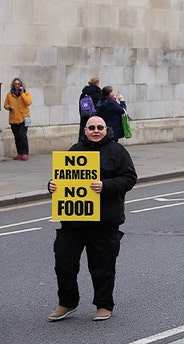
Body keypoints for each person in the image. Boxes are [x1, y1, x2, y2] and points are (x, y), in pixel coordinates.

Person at [46, 116, 137, 322]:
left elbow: (129, 178)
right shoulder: (75, 150)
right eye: (92, 128)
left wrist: (106, 186)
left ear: (106, 129)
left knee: (102, 266)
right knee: (64, 264)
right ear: (85, 130)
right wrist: (51, 185)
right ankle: (67, 303)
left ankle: (104, 305)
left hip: (104, 221)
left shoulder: (117, 151)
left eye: (100, 127)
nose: (96, 131)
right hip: (73, 221)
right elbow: (62, 178)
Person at [4, 77, 32, 160]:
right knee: (17, 137)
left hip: (24, 118)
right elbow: (5, 105)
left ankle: (25, 153)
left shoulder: (26, 93)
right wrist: (9, 107)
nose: (17, 85)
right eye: (15, 84)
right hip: (13, 119)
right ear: (13, 85)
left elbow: (28, 102)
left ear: (21, 85)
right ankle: (19, 153)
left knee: (22, 135)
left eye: (18, 84)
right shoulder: (9, 94)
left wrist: (22, 93)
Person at [78, 77, 103, 141]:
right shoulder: (97, 92)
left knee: (84, 130)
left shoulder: (84, 93)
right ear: (97, 83)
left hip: (84, 115)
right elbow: (99, 105)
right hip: (94, 115)